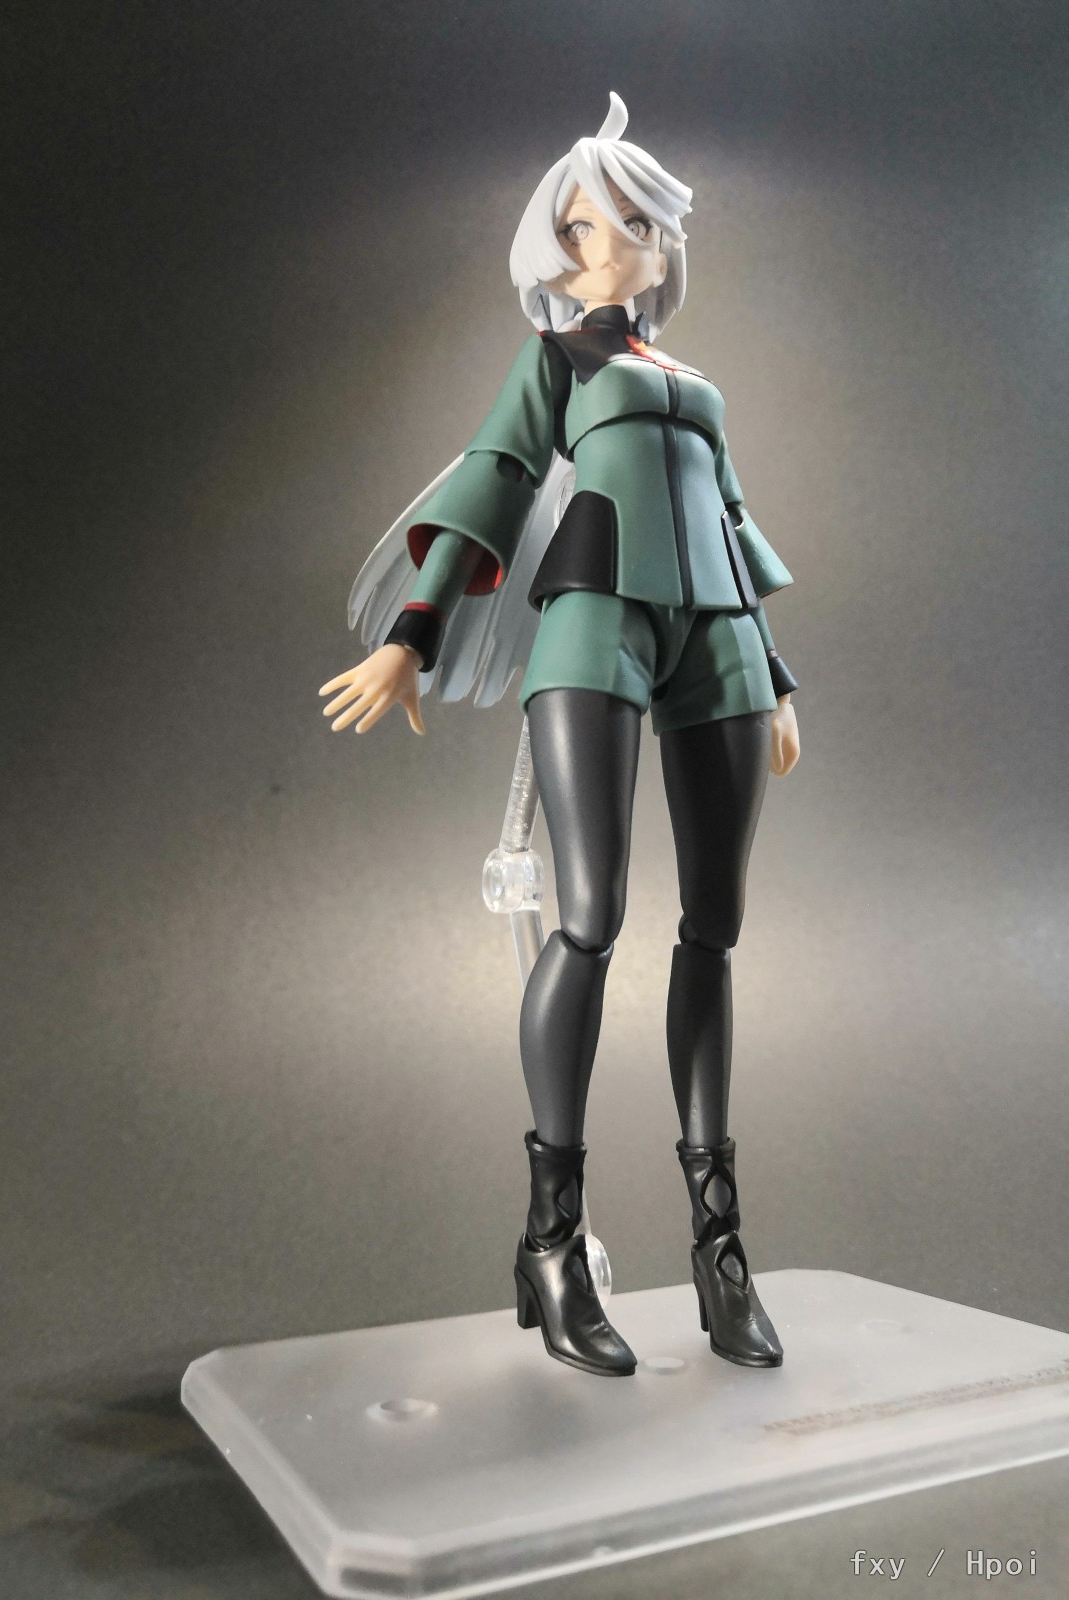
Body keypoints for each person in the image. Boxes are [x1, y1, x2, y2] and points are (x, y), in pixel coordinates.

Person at [320, 93, 801, 1378]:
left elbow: (735, 524)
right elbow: (494, 479)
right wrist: (412, 635)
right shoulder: (559, 362)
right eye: (586, 225)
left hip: (721, 643)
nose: (611, 243)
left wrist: (778, 677)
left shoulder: (696, 386)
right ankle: (552, 1240)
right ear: (556, 242)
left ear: (665, 238)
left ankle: (720, 1245)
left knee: (716, 927)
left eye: (634, 222)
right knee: (590, 918)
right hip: (595, 629)